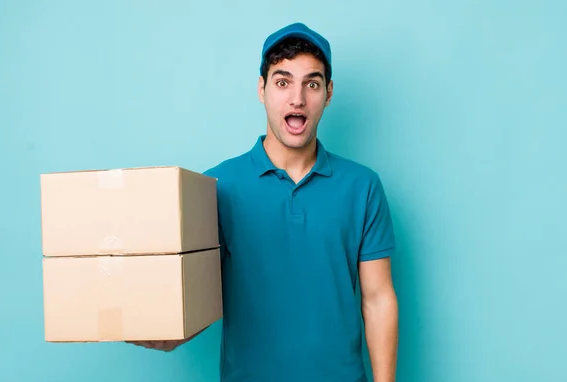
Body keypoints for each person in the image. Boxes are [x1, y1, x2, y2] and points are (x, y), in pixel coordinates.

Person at [130, 22, 399, 382]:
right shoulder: (214, 186)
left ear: (329, 93)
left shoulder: (362, 187)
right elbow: (201, 293)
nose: (297, 99)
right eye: (283, 81)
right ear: (262, 88)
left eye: (312, 84)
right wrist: (171, 334)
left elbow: (378, 299)